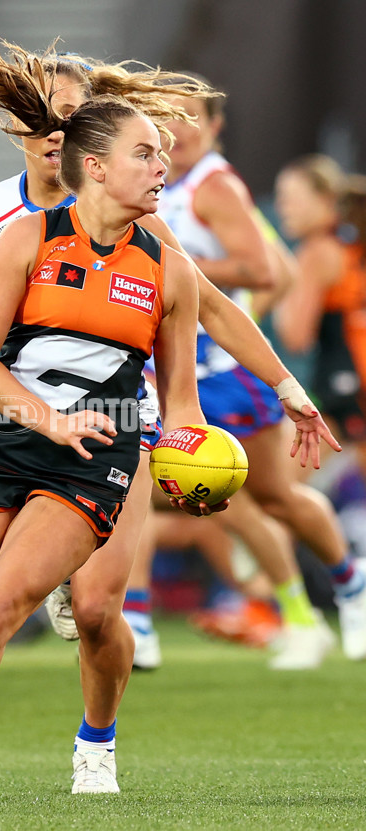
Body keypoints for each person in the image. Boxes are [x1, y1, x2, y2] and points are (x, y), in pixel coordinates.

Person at [0, 42, 335, 813]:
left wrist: (279, 391)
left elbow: (209, 313)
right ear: (34, 135)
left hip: (114, 437)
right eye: (45, 117)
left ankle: (94, 745)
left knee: (100, 608)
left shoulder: (154, 244)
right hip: (8, 429)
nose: (59, 128)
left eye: (73, 114)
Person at [146, 82, 366, 667]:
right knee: (194, 497)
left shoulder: (214, 186)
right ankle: (278, 608)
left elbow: (260, 268)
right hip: (170, 372)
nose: (179, 127)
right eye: (166, 116)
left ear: (216, 126)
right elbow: (283, 271)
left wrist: (178, 273)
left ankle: (337, 586)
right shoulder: (156, 183)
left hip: (218, 372)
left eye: (191, 116)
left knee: (266, 498)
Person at [274, 155, 366, 483]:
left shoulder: (317, 252)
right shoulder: (350, 244)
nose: (283, 207)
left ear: (324, 200)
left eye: (290, 198)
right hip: (348, 386)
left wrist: (281, 286)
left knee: (279, 494)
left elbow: (295, 337)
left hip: (347, 388)